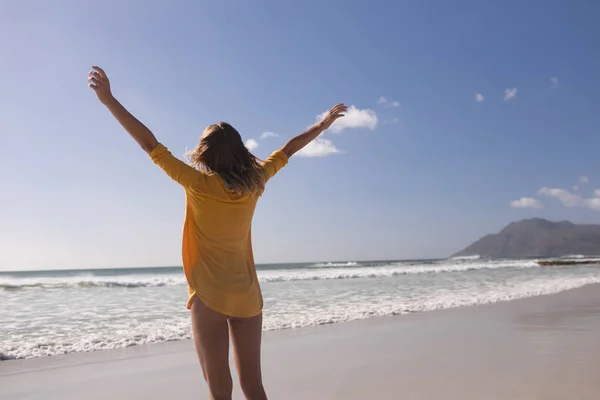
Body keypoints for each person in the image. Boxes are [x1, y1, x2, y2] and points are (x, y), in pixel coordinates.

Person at [88, 66, 346, 400]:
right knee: (254, 386)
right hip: (248, 296)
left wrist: (108, 100)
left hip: (209, 297)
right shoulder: (256, 182)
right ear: (239, 150)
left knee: (219, 390)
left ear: (204, 152)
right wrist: (322, 126)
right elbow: (288, 149)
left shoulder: (197, 183)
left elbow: (149, 143)